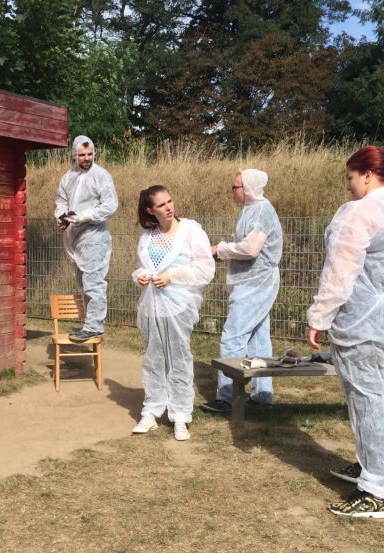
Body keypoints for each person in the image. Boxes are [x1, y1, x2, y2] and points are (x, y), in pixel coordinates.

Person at [307, 146, 384, 519]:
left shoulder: (363, 211)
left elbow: (340, 272)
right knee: (373, 393)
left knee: (368, 397)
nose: (350, 185)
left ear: (369, 175)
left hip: (365, 317)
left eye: (351, 177)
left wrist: (319, 317)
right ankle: (370, 464)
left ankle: (377, 488)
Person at [131, 186, 215, 440]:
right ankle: (153, 409)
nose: (169, 207)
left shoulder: (190, 230)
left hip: (179, 305)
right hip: (151, 306)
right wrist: (140, 277)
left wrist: (172, 276)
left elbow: (205, 270)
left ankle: (180, 413)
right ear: (150, 210)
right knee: (154, 356)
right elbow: (139, 268)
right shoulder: (147, 237)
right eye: (161, 205)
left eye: (170, 201)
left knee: (178, 356)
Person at [200, 169, 282, 413]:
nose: (232, 191)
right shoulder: (252, 210)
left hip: (256, 283)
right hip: (251, 282)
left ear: (246, 189)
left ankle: (227, 397)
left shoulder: (262, 211)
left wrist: (220, 249)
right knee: (258, 338)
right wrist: (224, 253)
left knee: (233, 337)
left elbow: (250, 249)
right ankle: (262, 394)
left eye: (235, 187)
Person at [54, 135, 119, 342]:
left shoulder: (101, 175)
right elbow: (61, 201)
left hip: (94, 237)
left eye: (90, 154)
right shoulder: (68, 177)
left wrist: (83, 216)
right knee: (82, 282)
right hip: (73, 237)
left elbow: (110, 205)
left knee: (94, 283)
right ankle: (88, 323)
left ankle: (94, 326)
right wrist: (62, 217)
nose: (87, 158)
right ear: (74, 155)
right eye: (82, 155)